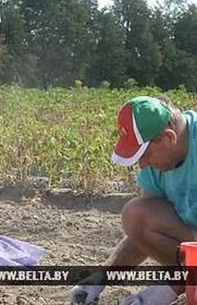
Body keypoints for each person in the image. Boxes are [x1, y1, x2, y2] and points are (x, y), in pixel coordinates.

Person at [70, 96, 197, 305]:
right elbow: (143, 232)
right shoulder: (155, 167)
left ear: (169, 137)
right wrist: (102, 278)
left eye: (145, 154)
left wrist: (170, 288)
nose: (142, 164)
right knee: (136, 215)